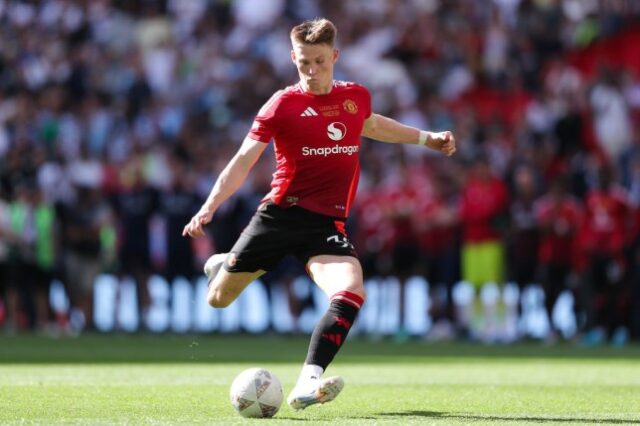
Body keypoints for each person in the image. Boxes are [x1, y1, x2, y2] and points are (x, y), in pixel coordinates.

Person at [182, 18, 456, 410]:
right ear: (293, 58)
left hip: (325, 225)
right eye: (304, 62)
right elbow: (243, 160)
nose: (311, 71)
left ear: (335, 57)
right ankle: (223, 265)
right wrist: (209, 207)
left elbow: (372, 124)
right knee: (218, 300)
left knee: (351, 290)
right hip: (278, 217)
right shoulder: (281, 104)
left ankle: (306, 384)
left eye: (320, 62)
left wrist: (426, 138)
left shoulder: (355, 96)